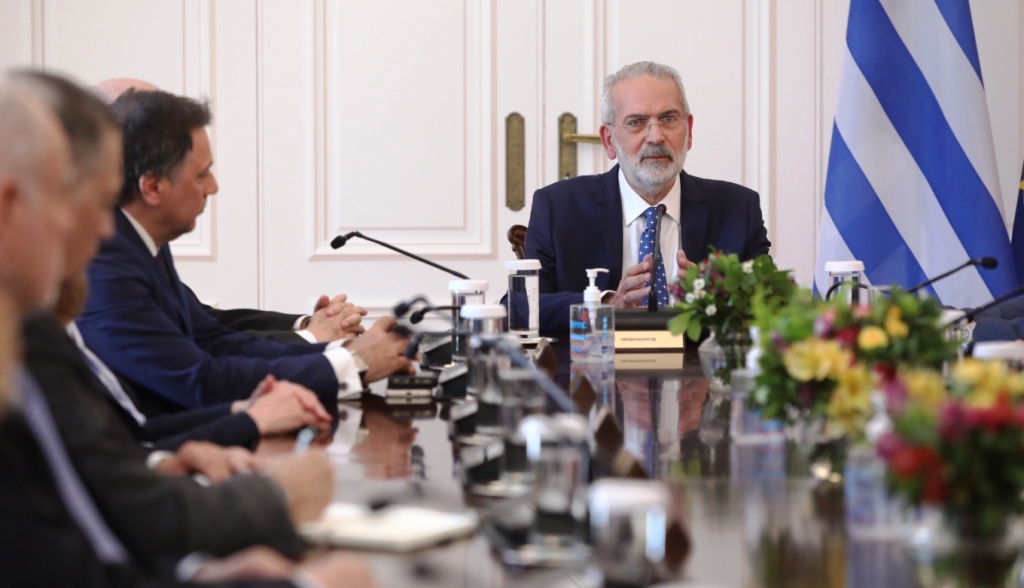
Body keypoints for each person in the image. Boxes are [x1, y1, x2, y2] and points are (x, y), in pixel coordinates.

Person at [0, 70, 375, 588]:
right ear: (10, 206)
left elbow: (84, 524)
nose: (104, 227)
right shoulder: (41, 327)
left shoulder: (31, 330)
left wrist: (196, 565)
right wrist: (278, 512)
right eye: (83, 202)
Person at [77, 88, 412, 417]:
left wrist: (345, 350)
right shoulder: (106, 265)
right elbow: (200, 382)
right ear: (152, 187)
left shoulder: (140, 244)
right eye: (201, 175)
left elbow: (218, 341)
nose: (213, 187)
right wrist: (354, 364)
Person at [95, 76, 367, 345]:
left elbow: (204, 326)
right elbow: (201, 356)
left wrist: (308, 327)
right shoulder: (105, 260)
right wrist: (316, 339)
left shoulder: (142, 237)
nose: (213, 187)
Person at [524, 61, 771, 332]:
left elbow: (774, 304)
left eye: (668, 119)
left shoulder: (738, 209)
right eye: (636, 122)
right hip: (598, 359)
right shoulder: (558, 208)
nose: (655, 137)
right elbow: (521, 307)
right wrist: (605, 306)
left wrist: (715, 301)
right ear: (608, 140)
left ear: (688, 130)